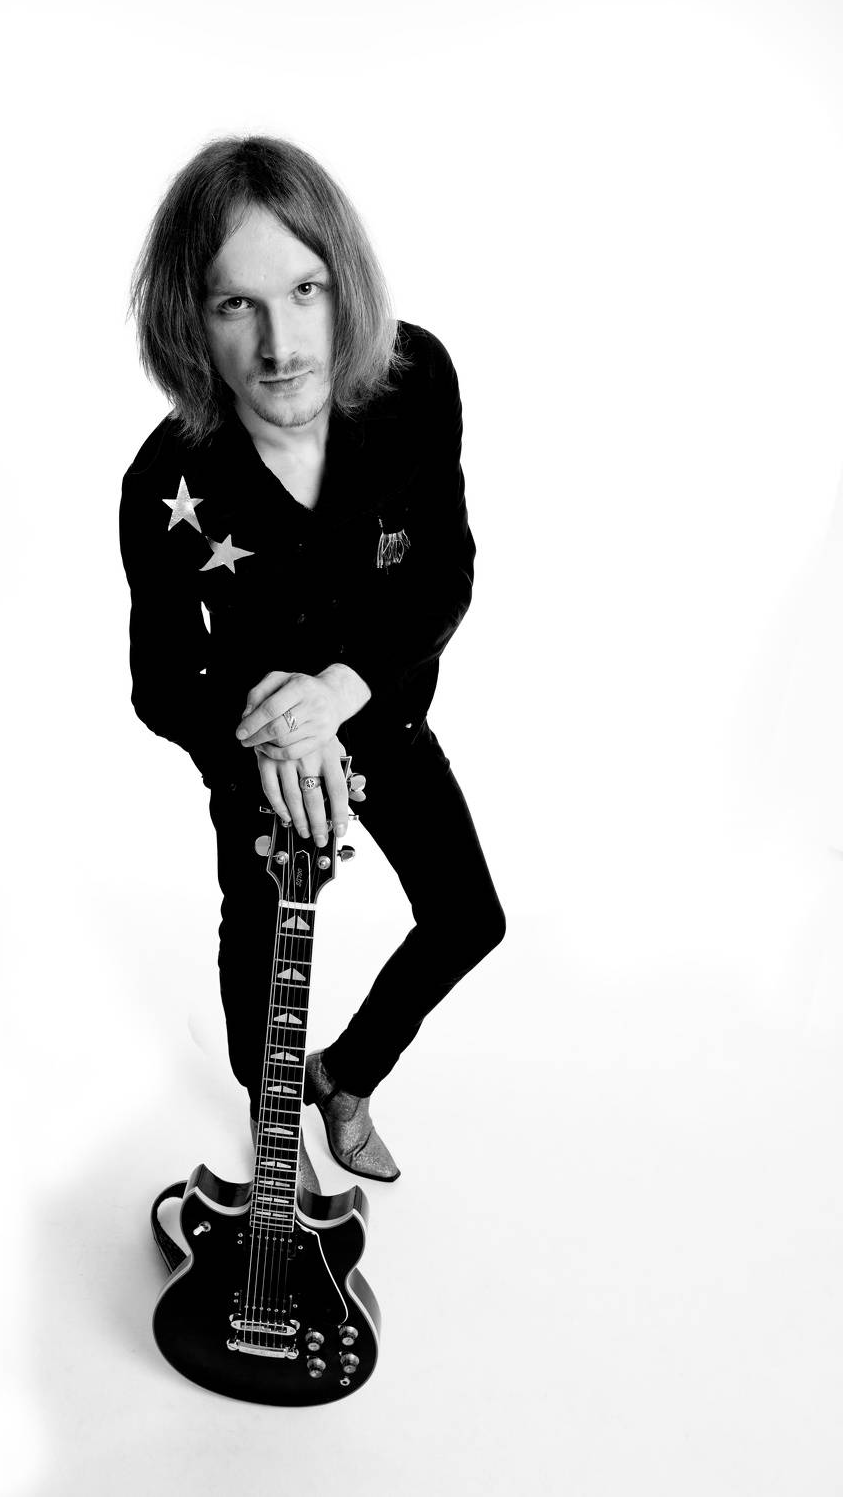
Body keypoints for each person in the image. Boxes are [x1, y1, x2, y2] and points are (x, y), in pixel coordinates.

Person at [120, 136, 505, 1193]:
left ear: (345, 282)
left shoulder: (415, 382)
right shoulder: (164, 484)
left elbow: (445, 572)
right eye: (234, 304)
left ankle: (345, 1076)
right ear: (189, 320)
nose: (281, 344)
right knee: (260, 954)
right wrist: (271, 735)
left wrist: (338, 693)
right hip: (262, 761)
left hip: (382, 714)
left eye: (304, 289)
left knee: (470, 920)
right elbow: (162, 682)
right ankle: (271, 1118)